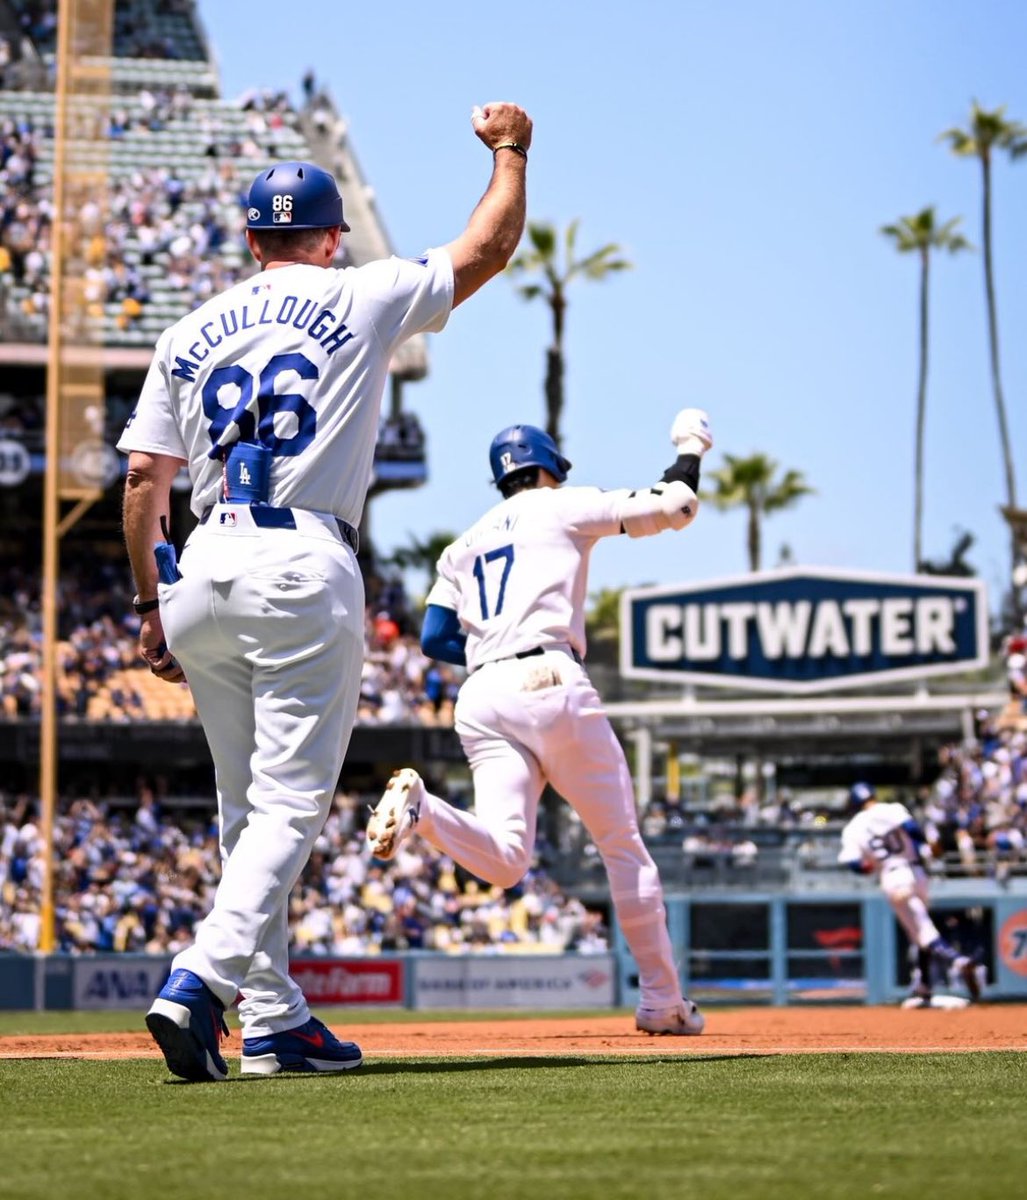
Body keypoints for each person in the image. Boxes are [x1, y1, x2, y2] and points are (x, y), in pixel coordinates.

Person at [117, 101, 533, 1081]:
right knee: (291, 806)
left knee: (243, 809)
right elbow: (492, 241)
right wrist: (510, 150)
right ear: (332, 234)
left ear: (251, 238)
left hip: (201, 565)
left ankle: (275, 1021)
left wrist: (147, 606)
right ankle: (199, 983)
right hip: (301, 562)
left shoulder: (186, 331)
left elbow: (144, 481)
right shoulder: (362, 291)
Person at [367, 409, 715, 1035]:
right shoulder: (561, 504)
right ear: (551, 467)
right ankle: (662, 1001)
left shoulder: (461, 544)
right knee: (621, 845)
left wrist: (490, 653)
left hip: (482, 692)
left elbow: (434, 636)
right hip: (549, 678)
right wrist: (690, 448)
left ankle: (425, 809)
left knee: (505, 862)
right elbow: (677, 506)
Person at [837, 782, 981, 1006]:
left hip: (892, 876)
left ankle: (958, 961)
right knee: (919, 933)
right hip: (917, 873)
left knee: (923, 932)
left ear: (854, 803)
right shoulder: (892, 808)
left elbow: (855, 864)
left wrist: (871, 867)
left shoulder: (853, 827)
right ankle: (924, 987)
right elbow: (914, 831)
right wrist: (927, 848)